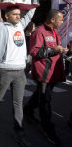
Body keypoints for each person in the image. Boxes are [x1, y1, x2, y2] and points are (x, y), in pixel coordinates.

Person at [0, 0, 35, 147]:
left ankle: (19, 133)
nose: (19, 16)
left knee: (18, 103)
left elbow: (31, 11)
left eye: (19, 14)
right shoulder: (1, 27)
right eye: (15, 14)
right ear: (6, 16)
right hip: (5, 70)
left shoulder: (21, 25)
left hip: (20, 71)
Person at [23, 9, 68, 145]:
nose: (62, 22)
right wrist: (55, 50)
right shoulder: (39, 31)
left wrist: (64, 50)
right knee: (45, 100)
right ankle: (48, 130)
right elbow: (34, 51)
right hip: (43, 73)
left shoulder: (55, 31)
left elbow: (54, 49)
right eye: (60, 19)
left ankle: (28, 110)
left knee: (40, 95)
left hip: (54, 72)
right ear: (52, 20)